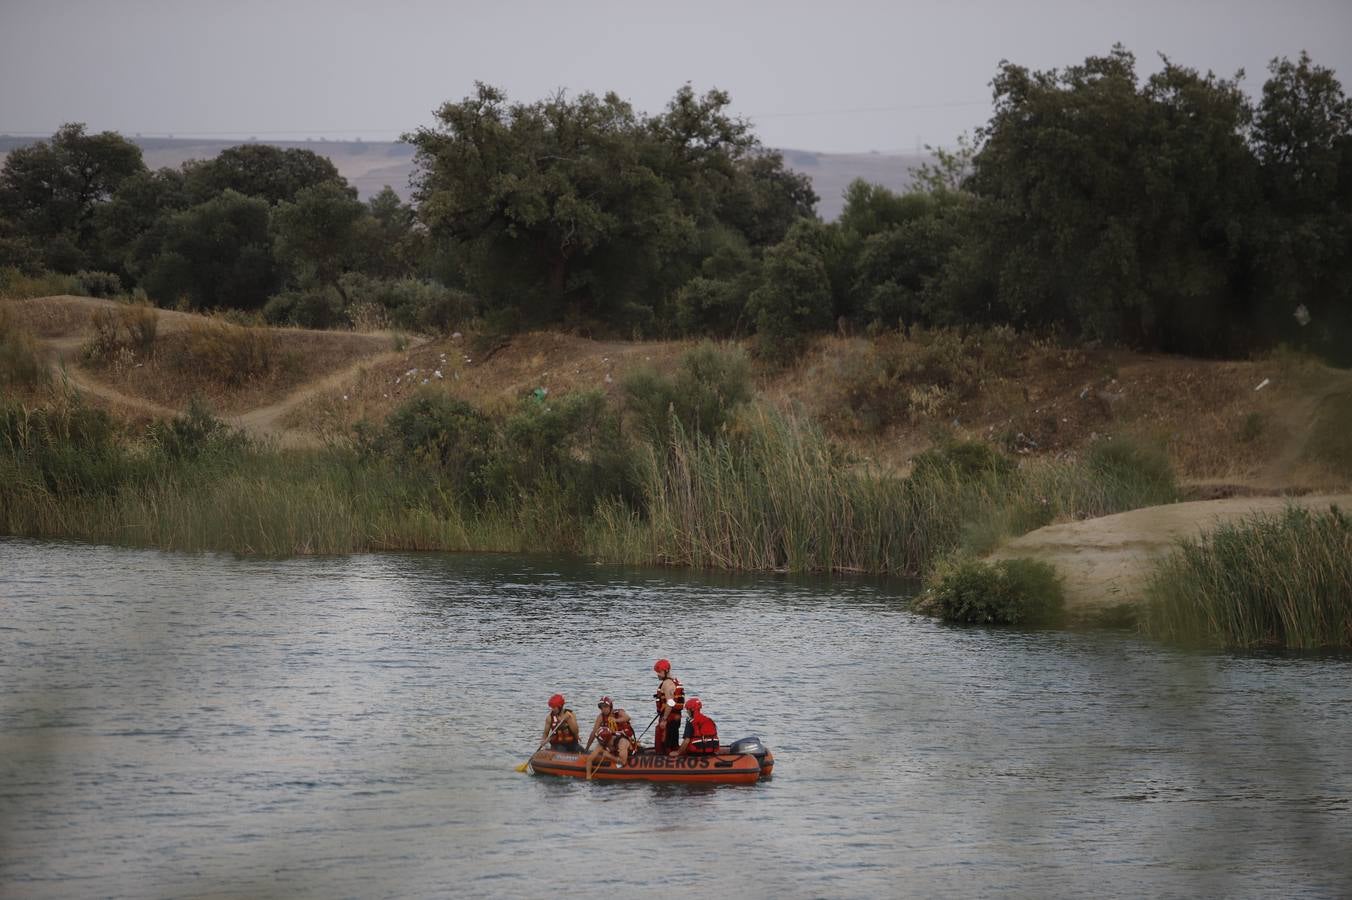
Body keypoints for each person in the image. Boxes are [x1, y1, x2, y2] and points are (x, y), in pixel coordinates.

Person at [652, 658, 685, 754]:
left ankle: (666, 758)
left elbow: (670, 703)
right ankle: (674, 752)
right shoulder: (675, 681)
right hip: (676, 716)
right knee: (673, 739)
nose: (657, 674)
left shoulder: (667, 684)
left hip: (669, 717)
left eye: (659, 672)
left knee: (665, 742)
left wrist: (664, 719)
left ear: (665, 671)